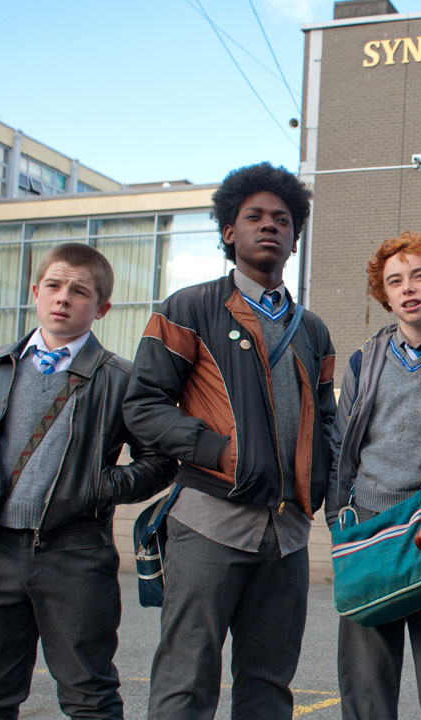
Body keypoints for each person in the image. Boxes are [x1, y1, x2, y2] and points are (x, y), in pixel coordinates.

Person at [123, 163, 336, 720]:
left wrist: (326, 488)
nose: (269, 226)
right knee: (186, 680)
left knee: (269, 685)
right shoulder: (188, 308)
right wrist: (218, 452)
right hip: (209, 523)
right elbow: (142, 406)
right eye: (254, 217)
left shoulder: (313, 329)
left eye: (282, 220)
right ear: (228, 231)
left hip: (287, 534)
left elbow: (327, 421)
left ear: (295, 238)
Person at [0, 243, 175, 720]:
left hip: (77, 555)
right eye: (54, 285)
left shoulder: (121, 379)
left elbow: (160, 460)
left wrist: (96, 489)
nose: (63, 297)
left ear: (102, 308)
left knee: (90, 697)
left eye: (80, 291)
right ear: (35, 292)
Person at [329, 231, 421, 720]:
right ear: (384, 295)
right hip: (370, 525)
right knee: (365, 686)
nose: (408, 287)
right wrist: (337, 517)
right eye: (394, 281)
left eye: (420, 275)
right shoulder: (365, 360)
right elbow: (341, 441)